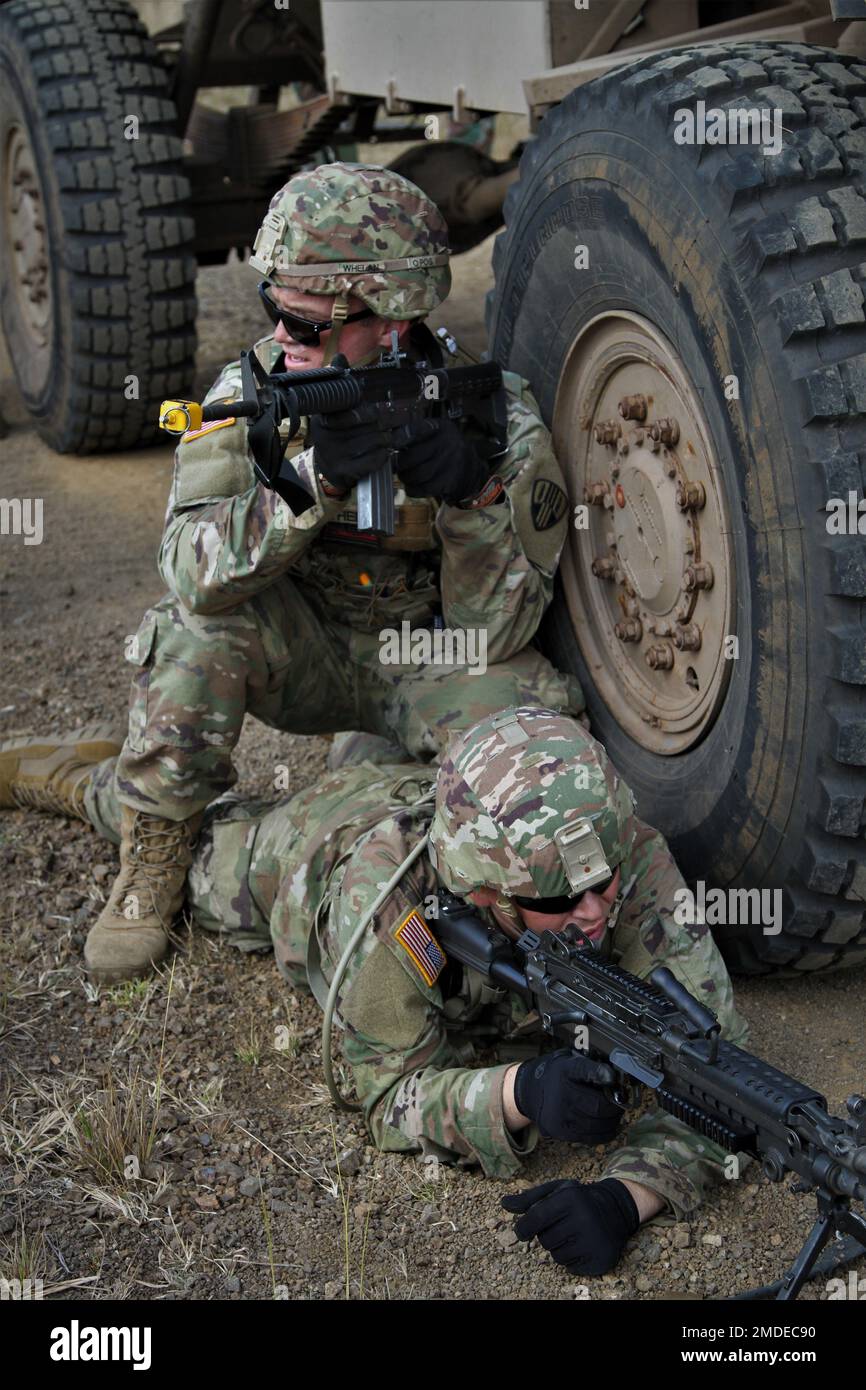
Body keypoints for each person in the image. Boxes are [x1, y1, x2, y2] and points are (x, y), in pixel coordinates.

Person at [1, 705, 749, 1276]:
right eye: (564, 898)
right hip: (310, 851)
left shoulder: (611, 853)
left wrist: (629, 1196)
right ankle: (69, 772)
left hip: (434, 801)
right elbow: (386, 1095)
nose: (597, 909)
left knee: (373, 753)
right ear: (492, 897)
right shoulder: (384, 907)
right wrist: (521, 1093)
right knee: (186, 840)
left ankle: (363, 738)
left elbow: (719, 1058)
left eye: (603, 880)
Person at [86, 161, 582, 982]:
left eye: (307, 322)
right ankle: (156, 846)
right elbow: (189, 571)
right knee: (191, 634)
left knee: (537, 716)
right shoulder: (251, 395)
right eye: (273, 309)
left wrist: (471, 492)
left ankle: (444, 873)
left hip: (424, 658)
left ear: (388, 320)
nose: (283, 334)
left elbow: (496, 635)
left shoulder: (491, 414)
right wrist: (309, 484)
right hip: (303, 650)